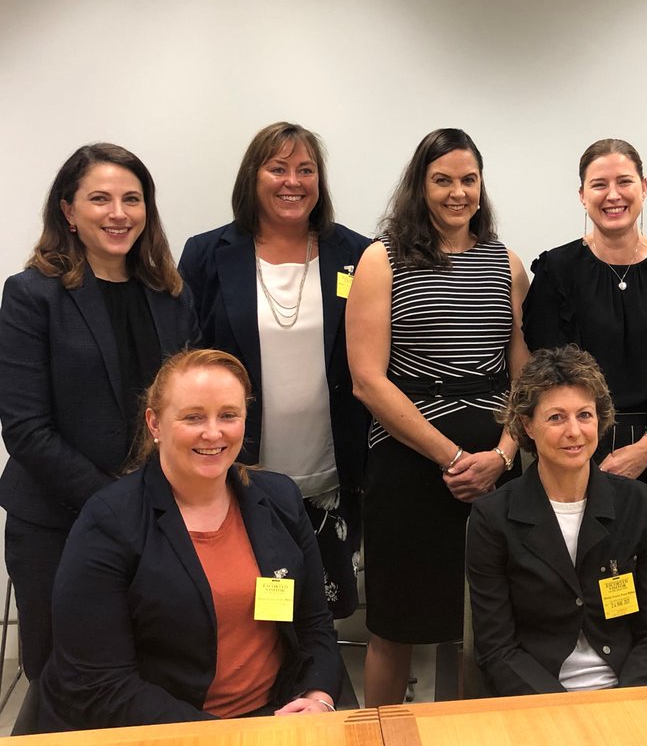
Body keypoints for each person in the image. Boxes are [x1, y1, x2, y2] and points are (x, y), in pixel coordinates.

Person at [37, 349, 341, 730]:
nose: (213, 433)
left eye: (228, 415)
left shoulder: (280, 499)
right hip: (167, 728)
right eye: (193, 417)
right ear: (155, 423)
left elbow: (314, 625)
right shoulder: (109, 523)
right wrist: (223, 736)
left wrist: (318, 698)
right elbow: (100, 685)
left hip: (274, 718)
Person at [346, 128, 529, 706]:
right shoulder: (381, 259)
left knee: (483, 624)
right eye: (442, 180)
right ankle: (379, 737)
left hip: (494, 471)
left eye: (468, 180)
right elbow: (367, 380)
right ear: (419, 186)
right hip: (408, 464)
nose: (458, 192)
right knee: (394, 624)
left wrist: (501, 456)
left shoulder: (506, 263)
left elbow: (526, 381)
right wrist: (451, 458)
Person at [0, 143, 196, 680]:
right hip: (57, 521)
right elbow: (26, 428)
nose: (118, 213)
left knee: (152, 669)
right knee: (65, 677)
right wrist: (114, 501)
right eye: (100, 199)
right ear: (68, 210)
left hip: (158, 515)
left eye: (132, 199)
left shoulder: (172, 295)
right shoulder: (32, 295)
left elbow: (189, 407)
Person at [178, 121, 371, 620]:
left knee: (321, 607)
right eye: (278, 168)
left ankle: (317, 667)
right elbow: (185, 359)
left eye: (306, 170)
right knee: (255, 608)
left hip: (332, 468)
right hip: (241, 466)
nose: (293, 182)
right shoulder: (207, 254)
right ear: (252, 176)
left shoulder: (357, 254)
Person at [522, 139, 647, 593]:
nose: (613, 195)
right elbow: (548, 375)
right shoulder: (556, 270)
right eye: (598, 184)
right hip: (577, 445)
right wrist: (580, 437)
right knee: (584, 590)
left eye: (624, 182)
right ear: (582, 195)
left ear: (644, 187)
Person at [467, 345, 647, 696]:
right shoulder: (493, 517)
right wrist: (563, 712)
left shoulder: (637, 504)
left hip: (628, 693)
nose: (574, 431)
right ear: (527, 425)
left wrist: (625, 703)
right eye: (556, 418)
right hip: (538, 697)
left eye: (584, 415)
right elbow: (497, 649)